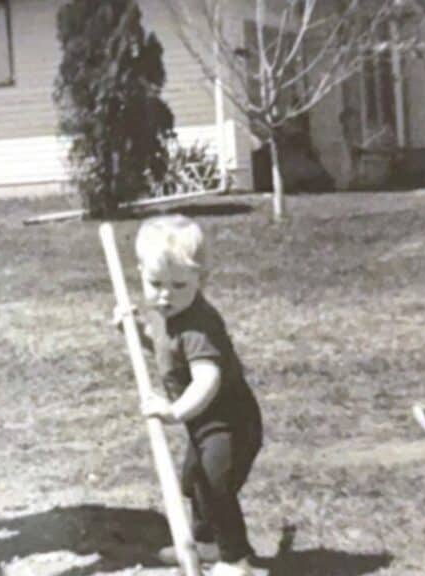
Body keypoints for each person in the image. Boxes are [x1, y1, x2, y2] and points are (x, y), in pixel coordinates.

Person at [117, 214, 263, 576]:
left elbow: (207, 379)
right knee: (194, 482)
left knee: (214, 485)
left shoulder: (199, 326)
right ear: (141, 273)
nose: (165, 295)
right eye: (156, 284)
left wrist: (174, 411)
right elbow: (168, 351)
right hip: (204, 421)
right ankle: (207, 543)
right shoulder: (168, 312)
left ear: (202, 280)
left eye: (179, 285)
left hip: (230, 422)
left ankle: (236, 559)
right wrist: (135, 332)